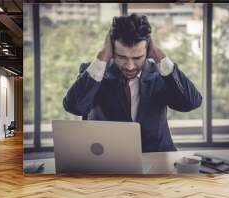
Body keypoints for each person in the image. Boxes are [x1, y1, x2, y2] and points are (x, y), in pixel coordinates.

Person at [63, 14, 202, 152]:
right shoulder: (95, 73)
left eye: (137, 57)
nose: (130, 66)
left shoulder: (161, 75)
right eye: (122, 57)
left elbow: (191, 103)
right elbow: (74, 107)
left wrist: (160, 55)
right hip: (109, 160)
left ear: (148, 52)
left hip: (157, 159)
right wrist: (102, 56)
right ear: (112, 50)